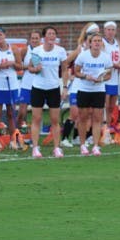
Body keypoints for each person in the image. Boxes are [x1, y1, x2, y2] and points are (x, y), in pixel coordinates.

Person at [29, 26, 68, 158]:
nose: (52, 36)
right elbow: (30, 68)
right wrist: (36, 69)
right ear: (44, 37)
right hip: (38, 87)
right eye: (49, 34)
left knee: (55, 119)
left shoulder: (60, 51)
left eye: (54, 34)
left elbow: (64, 70)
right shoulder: (37, 50)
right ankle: (35, 147)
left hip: (53, 88)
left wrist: (65, 87)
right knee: (36, 118)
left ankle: (57, 148)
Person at [73, 32, 113, 156]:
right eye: (95, 41)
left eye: (99, 41)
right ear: (90, 43)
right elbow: (76, 72)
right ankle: (83, 145)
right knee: (83, 118)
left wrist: (100, 79)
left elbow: (109, 74)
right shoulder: (83, 56)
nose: (97, 43)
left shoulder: (106, 57)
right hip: (84, 90)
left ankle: (95, 146)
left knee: (97, 118)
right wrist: (86, 76)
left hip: (99, 90)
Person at [0, 26, 21, 138]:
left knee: (11, 112)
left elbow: (19, 66)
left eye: (0, 34)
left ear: (4, 36)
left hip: (11, 84)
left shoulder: (14, 49)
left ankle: (13, 138)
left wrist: (12, 64)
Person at [102, 21, 120, 132]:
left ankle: (108, 128)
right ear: (105, 31)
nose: (110, 32)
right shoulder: (102, 42)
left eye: (113, 30)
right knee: (105, 105)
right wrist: (117, 66)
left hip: (115, 79)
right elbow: (104, 59)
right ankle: (102, 128)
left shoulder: (117, 42)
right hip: (105, 79)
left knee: (111, 107)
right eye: (108, 29)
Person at [16, 30, 41, 129]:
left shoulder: (43, 50)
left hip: (39, 85)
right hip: (26, 84)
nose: (34, 40)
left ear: (40, 39)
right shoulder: (25, 50)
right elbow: (18, 66)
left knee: (36, 112)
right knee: (22, 111)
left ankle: (33, 132)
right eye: (33, 38)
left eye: (36, 38)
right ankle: (17, 131)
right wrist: (29, 67)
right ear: (29, 40)